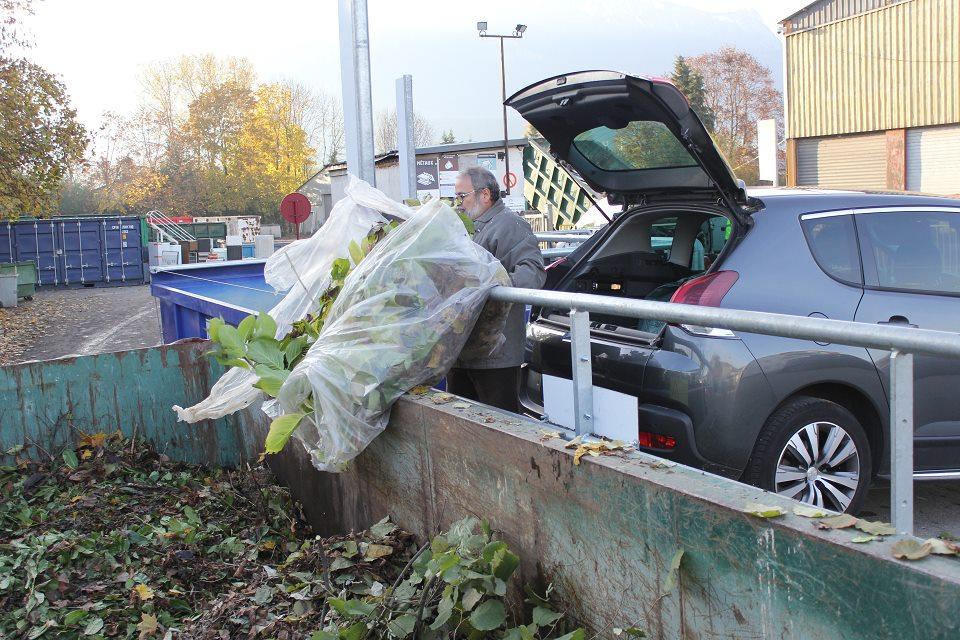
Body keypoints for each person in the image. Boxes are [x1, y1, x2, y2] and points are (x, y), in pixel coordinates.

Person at [447, 166, 545, 412]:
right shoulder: (464, 228)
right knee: (462, 421)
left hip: (496, 354)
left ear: (485, 195)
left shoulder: (510, 225)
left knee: (500, 421)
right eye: (456, 197)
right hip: (462, 348)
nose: (458, 203)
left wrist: (492, 285)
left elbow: (533, 272)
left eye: (462, 196)